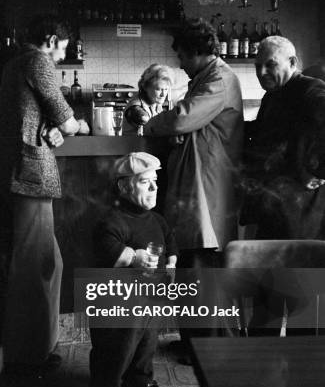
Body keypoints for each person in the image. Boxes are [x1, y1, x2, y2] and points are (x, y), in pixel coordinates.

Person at [0, 14, 89, 377]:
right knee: (37, 267)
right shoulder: (36, 61)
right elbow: (66, 118)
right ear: (50, 40)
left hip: (17, 175)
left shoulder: (15, 66)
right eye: (62, 48)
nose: (62, 57)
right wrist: (76, 126)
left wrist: (55, 129)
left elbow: (39, 121)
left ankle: (35, 348)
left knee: (44, 264)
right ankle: (28, 356)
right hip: (28, 177)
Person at [142, 18, 244, 350]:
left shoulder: (219, 79)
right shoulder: (207, 77)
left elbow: (183, 117)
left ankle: (205, 346)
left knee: (200, 270)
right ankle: (196, 343)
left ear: (197, 51)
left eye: (183, 57)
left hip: (207, 188)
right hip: (200, 186)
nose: (181, 65)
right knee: (194, 268)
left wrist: (151, 125)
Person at [90, 152, 178, 387]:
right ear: (124, 187)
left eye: (155, 182)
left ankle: (139, 378)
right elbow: (106, 247)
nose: (154, 188)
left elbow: (170, 241)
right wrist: (132, 257)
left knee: (147, 342)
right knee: (117, 344)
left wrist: (171, 264)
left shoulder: (157, 219)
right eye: (145, 182)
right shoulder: (112, 221)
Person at [242, 36, 325, 239]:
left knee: (293, 267)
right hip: (273, 201)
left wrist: (317, 172)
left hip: (299, 207)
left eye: (270, 65)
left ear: (292, 63)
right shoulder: (272, 95)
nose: (261, 73)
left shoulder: (310, 89)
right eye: (258, 66)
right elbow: (264, 131)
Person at [123, 63, 173, 134]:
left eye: (166, 89)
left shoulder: (155, 102)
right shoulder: (135, 109)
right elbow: (146, 122)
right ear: (145, 87)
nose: (163, 94)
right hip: (135, 144)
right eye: (158, 89)